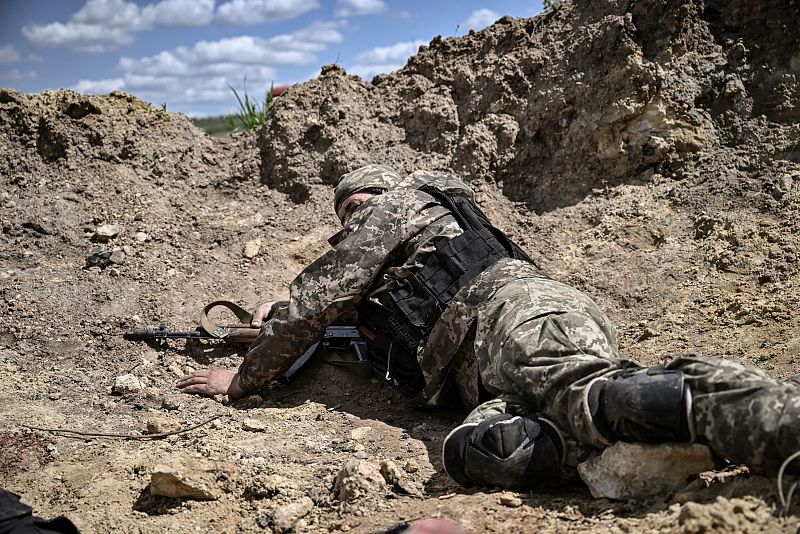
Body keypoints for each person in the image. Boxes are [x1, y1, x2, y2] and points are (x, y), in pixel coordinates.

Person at [177, 164, 800, 489]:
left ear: (384, 196)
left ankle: (774, 418)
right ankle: (642, 445)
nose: (352, 221)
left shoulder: (402, 206)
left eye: (356, 208)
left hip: (515, 313)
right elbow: (352, 331)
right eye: (345, 215)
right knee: (477, 453)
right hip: (486, 370)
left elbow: (314, 302)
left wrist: (245, 376)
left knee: (583, 394)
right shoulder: (404, 264)